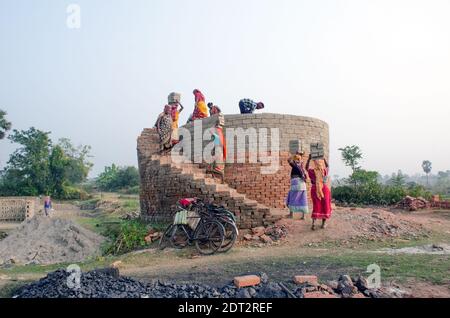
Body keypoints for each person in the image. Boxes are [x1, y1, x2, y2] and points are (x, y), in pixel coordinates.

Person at [306, 154, 332, 230]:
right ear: (321, 163)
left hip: (314, 189)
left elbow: (306, 168)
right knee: (325, 205)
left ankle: (313, 224)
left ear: (315, 164)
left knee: (316, 205)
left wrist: (309, 159)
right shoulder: (324, 171)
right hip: (324, 190)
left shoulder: (312, 171)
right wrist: (324, 159)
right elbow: (328, 166)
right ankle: (323, 224)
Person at [286, 152, 309, 219]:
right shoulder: (301, 167)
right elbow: (304, 177)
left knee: (292, 198)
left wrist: (294, 154)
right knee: (303, 199)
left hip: (296, 183)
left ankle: (291, 215)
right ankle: (303, 216)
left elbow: (288, 160)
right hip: (302, 184)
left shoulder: (295, 165)